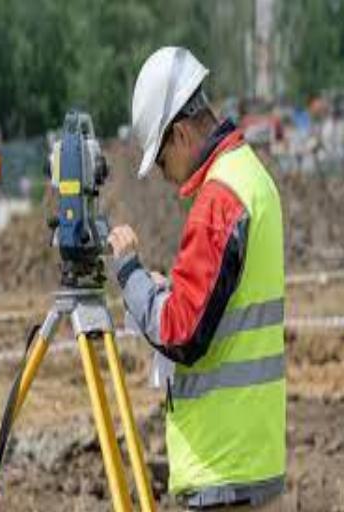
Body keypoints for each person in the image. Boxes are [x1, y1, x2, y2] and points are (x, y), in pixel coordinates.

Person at [108, 47, 286, 511]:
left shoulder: (220, 199)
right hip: (250, 457)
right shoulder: (253, 177)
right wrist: (169, 290)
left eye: (162, 161)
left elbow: (180, 331)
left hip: (222, 466)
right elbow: (222, 308)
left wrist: (130, 274)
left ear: (181, 133)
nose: (166, 178)